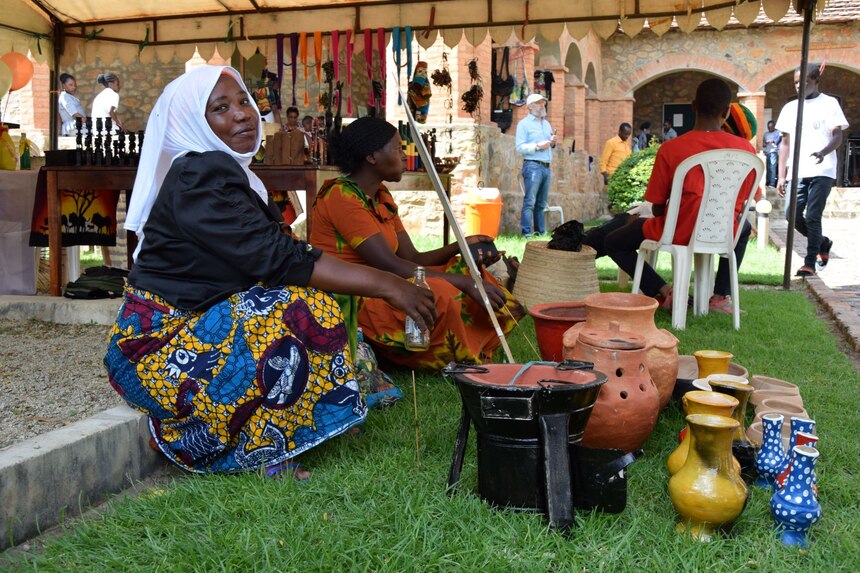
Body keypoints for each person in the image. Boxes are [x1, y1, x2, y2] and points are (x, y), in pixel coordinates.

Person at [104, 66, 435, 479]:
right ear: (190, 121)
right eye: (220, 108)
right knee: (287, 310)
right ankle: (242, 449)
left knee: (310, 306)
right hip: (155, 350)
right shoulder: (198, 174)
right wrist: (387, 285)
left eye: (243, 101)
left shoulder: (229, 174)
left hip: (198, 327)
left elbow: (279, 257)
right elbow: (278, 258)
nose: (242, 114)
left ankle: (286, 430)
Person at [311, 116, 523, 371]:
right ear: (371, 157)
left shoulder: (380, 195)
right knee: (443, 292)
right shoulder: (341, 196)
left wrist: (461, 246)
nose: (404, 156)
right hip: (360, 295)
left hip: (388, 282)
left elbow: (413, 258)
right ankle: (424, 354)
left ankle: (471, 346)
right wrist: (464, 285)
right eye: (399, 149)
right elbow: (391, 265)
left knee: (465, 271)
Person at [582, 80, 758, 315]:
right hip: (722, 230)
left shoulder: (671, 148)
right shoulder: (746, 151)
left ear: (693, 106)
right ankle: (720, 296)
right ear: (726, 112)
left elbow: (657, 209)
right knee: (743, 227)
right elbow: (748, 199)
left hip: (676, 231)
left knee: (613, 241)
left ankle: (664, 291)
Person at [776, 63, 848, 277]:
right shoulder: (790, 108)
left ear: (816, 80)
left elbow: (837, 135)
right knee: (792, 214)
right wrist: (781, 175)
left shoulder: (830, 103)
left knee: (813, 216)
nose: (799, 85)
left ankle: (809, 261)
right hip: (797, 171)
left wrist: (823, 152)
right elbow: (785, 144)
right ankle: (822, 242)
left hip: (823, 170)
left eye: (804, 81)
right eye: (796, 82)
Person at [515, 93, 557, 236]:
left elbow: (549, 145)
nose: (542, 105)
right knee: (530, 202)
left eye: (543, 103)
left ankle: (540, 232)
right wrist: (538, 146)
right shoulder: (523, 124)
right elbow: (519, 147)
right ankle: (526, 233)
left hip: (546, 166)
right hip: (532, 165)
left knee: (541, 203)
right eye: (539, 103)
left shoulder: (546, 123)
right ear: (530, 106)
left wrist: (552, 142)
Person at [762, 120, 781, 187]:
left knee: (772, 167)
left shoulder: (778, 132)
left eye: (771, 127)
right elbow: (763, 144)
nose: (769, 128)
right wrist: (766, 143)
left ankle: (772, 183)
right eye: (768, 127)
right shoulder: (766, 134)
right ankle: (768, 181)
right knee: (768, 168)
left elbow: (779, 141)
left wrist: (773, 141)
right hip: (767, 152)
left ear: (774, 126)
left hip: (774, 151)